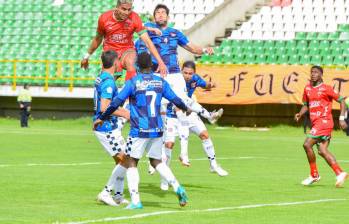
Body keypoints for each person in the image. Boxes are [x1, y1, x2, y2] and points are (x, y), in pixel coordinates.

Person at [94, 52, 195, 209]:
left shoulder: (134, 82)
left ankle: (136, 201)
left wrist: (102, 116)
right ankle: (177, 187)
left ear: (137, 66)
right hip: (157, 128)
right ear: (151, 65)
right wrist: (186, 108)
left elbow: (116, 102)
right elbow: (175, 98)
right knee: (156, 161)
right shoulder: (160, 82)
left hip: (139, 129)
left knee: (131, 162)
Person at [135, 4, 222, 124]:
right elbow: (137, 26)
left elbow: (192, 48)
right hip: (157, 73)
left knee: (183, 98)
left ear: (168, 17)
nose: (160, 15)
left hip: (175, 73)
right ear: (154, 17)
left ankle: (208, 116)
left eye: (163, 13)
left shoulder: (175, 33)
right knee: (158, 106)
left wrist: (205, 50)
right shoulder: (149, 28)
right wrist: (151, 29)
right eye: (157, 13)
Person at [160, 61, 228, 190]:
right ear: (181, 71)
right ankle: (165, 179)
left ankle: (213, 165)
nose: (187, 75)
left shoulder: (195, 79)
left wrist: (211, 84)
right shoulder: (175, 80)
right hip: (172, 114)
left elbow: (204, 84)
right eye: (185, 72)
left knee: (204, 135)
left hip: (188, 111)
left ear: (194, 73)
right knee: (169, 144)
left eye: (190, 73)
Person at [81, 0, 167, 80]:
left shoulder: (134, 17)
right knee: (106, 81)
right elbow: (98, 38)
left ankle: (129, 92)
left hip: (127, 50)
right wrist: (86, 56)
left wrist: (160, 62)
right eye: (124, 9)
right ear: (117, 7)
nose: (126, 12)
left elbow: (148, 42)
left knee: (131, 61)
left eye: (129, 9)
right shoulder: (104, 18)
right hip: (110, 52)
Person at [295, 66, 348, 187]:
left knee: (307, 144)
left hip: (324, 122)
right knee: (322, 151)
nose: (313, 74)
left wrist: (341, 118)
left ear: (321, 75)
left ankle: (314, 175)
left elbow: (342, 101)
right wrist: (300, 113)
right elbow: (306, 104)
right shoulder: (307, 88)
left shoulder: (326, 88)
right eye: (312, 72)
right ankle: (339, 173)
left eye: (316, 72)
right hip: (316, 123)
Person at [93, 50, 130, 206]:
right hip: (106, 128)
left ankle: (118, 196)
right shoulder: (108, 81)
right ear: (115, 63)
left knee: (123, 161)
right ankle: (106, 192)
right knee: (124, 160)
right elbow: (104, 107)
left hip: (110, 126)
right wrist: (126, 113)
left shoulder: (102, 77)